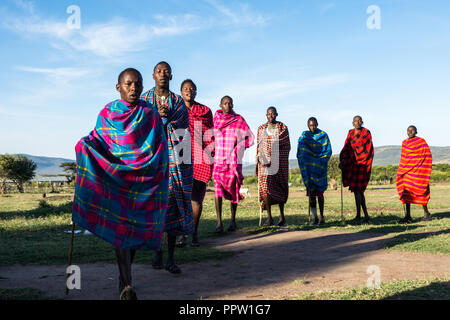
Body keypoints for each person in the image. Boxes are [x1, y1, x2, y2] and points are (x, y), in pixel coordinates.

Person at [72, 68, 169, 300]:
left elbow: (160, 147)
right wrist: (83, 146)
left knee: (132, 231)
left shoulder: (150, 114)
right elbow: (98, 138)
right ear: (119, 87)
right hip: (116, 182)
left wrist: (157, 173)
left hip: (142, 184)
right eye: (128, 84)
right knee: (120, 231)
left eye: (138, 84)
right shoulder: (108, 113)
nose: (134, 88)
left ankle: (125, 277)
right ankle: (126, 283)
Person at [141, 62, 194, 274]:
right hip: (150, 164)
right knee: (152, 210)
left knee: (171, 207)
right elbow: (139, 127)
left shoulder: (178, 102)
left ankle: (171, 258)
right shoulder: (144, 100)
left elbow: (183, 132)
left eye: (166, 71)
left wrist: (168, 119)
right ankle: (156, 251)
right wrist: (157, 117)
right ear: (153, 75)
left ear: (171, 75)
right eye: (159, 71)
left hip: (172, 165)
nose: (163, 74)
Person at [177, 79, 214, 247]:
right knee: (181, 197)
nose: (189, 91)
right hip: (180, 156)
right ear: (181, 91)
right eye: (186, 88)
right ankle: (181, 235)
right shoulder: (176, 109)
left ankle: (194, 233)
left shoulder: (205, 111)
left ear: (196, 92)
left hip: (200, 157)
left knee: (196, 198)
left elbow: (211, 136)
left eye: (192, 89)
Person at [213, 96, 254, 232]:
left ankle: (232, 221)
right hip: (219, 160)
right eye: (225, 103)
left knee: (233, 189)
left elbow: (251, 138)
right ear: (220, 105)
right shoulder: (216, 119)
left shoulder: (239, 120)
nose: (228, 105)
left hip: (233, 161)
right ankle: (219, 223)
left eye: (230, 103)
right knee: (218, 190)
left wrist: (239, 146)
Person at [256, 106, 290, 226]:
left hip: (279, 164)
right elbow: (259, 147)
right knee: (265, 189)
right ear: (266, 115)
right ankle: (269, 217)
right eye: (269, 114)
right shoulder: (261, 129)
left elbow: (286, 147)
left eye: (273, 114)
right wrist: (262, 158)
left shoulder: (283, 128)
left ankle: (282, 216)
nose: (271, 116)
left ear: (276, 114)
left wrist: (274, 158)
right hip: (265, 165)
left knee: (280, 188)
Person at [297, 117, 332, 225]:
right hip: (308, 170)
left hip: (320, 168)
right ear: (308, 125)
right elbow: (300, 151)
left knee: (320, 195)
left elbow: (328, 151)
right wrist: (305, 160)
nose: (313, 127)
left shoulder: (323, 135)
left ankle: (322, 217)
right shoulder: (304, 135)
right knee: (311, 195)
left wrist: (320, 161)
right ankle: (315, 217)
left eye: (314, 125)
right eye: (311, 125)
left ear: (317, 124)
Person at [339, 115, 374, 223]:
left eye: (359, 121)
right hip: (353, 165)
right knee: (357, 191)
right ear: (352, 123)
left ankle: (361, 215)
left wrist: (360, 160)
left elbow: (368, 150)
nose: (357, 122)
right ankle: (363, 215)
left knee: (358, 190)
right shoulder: (350, 133)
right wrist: (343, 160)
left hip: (363, 166)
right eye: (355, 121)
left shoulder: (366, 133)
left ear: (362, 122)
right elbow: (346, 148)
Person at [396, 125, 432, 223]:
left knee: (421, 190)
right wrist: (401, 170)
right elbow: (404, 158)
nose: (410, 132)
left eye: (412, 130)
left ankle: (426, 213)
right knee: (406, 192)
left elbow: (427, 156)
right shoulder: (405, 143)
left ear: (416, 131)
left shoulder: (421, 142)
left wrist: (422, 169)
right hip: (408, 172)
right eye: (408, 130)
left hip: (419, 172)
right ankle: (408, 215)